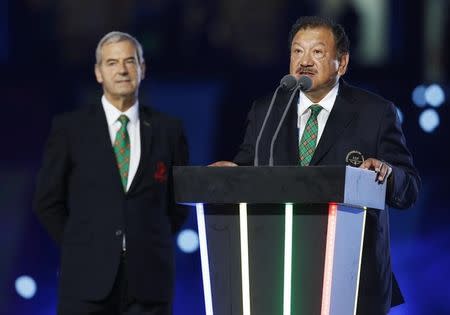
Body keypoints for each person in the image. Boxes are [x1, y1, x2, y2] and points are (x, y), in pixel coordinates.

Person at [212, 16, 420, 315]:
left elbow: (410, 187)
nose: (304, 61)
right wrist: (232, 175)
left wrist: (386, 174)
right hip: (279, 274)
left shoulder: (375, 113)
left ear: (342, 63)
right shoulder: (267, 110)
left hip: (351, 278)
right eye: (297, 51)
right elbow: (249, 169)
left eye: (317, 52)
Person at [34, 31, 189, 315]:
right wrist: (81, 244)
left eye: (130, 61)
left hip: (149, 283)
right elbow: (47, 201)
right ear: (98, 72)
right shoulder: (70, 129)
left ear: (142, 69)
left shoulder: (169, 130)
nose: (121, 70)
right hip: (85, 281)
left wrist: (150, 240)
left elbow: (178, 205)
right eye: (112, 62)